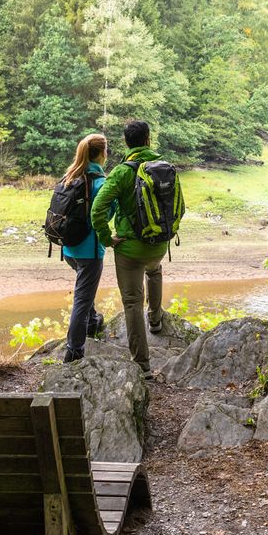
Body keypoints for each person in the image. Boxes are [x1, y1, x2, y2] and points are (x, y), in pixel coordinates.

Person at [90, 119, 167, 378]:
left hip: (129, 250)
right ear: (148, 139)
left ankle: (143, 365)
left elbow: (97, 209)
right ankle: (155, 320)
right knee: (154, 271)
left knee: (133, 302)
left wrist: (105, 238)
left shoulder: (121, 172)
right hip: (158, 245)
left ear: (126, 142)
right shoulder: (163, 167)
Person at [59, 133, 109, 363]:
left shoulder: (70, 176)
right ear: (102, 153)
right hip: (90, 251)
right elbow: (105, 215)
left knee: (84, 290)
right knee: (82, 298)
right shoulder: (99, 183)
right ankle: (74, 350)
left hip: (69, 248)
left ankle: (92, 322)